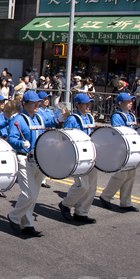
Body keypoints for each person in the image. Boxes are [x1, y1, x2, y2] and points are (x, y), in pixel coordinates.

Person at [7, 91, 47, 237]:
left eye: (38, 102)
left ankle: (27, 224)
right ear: (24, 104)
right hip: (24, 159)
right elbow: (11, 139)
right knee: (29, 194)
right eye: (33, 102)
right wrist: (20, 144)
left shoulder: (38, 118)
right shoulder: (18, 119)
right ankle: (14, 216)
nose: (37, 105)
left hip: (39, 160)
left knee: (34, 195)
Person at [58, 94, 97, 224]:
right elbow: (66, 138)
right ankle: (66, 204)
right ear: (77, 104)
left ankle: (81, 212)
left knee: (91, 187)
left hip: (91, 155)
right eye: (85, 103)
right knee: (82, 185)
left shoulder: (89, 117)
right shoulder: (72, 119)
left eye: (89, 103)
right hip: (78, 157)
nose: (88, 106)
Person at [100, 93, 140, 213]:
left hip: (132, 148)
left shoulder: (131, 115)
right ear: (120, 103)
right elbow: (118, 133)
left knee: (130, 175)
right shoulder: (117, 116)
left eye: (131, 101)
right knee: (121, 175)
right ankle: (106, 196)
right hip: (121, 149)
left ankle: (126, 202)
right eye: (128, 101)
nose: (130, 103)